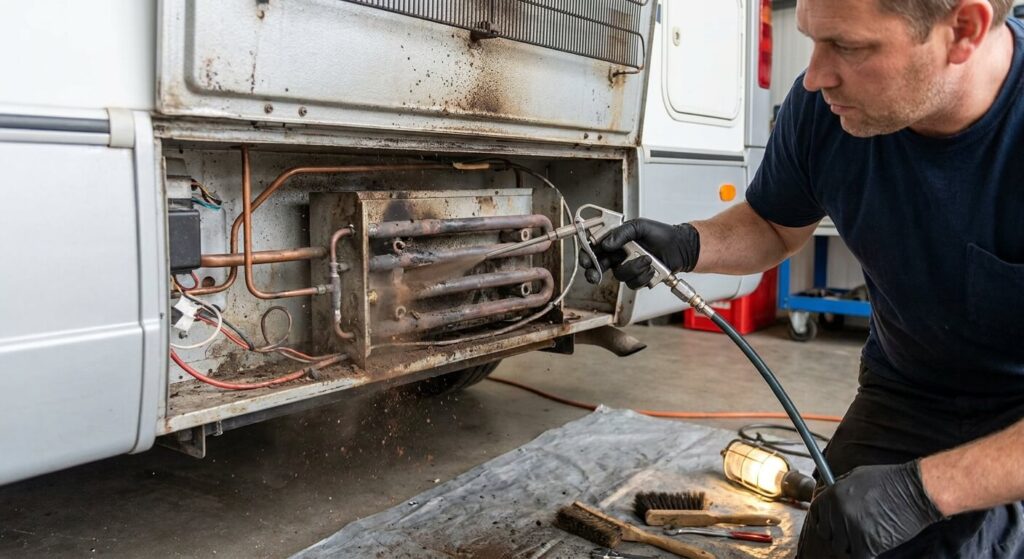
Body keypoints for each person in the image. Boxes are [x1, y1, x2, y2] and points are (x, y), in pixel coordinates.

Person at [582, 0, 1024, 557]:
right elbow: (774, 224)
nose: (815, 76)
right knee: (834, 540)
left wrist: (923, 491)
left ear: (963, 30)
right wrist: (687, 244)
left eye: (849, 46)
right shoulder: (824, 109)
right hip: (909, 389)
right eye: (813, 39)